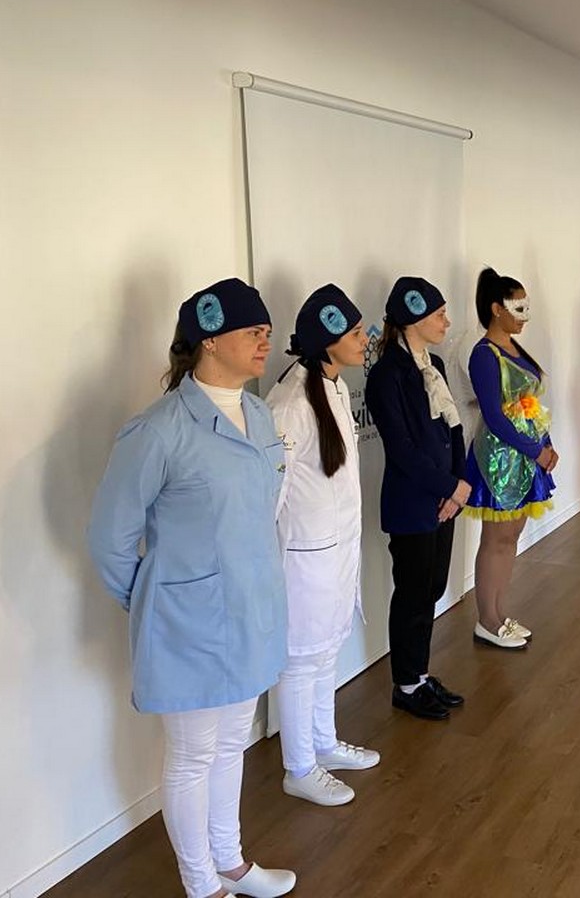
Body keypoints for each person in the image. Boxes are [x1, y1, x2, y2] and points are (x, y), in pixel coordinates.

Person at [88, 278, 295, 898]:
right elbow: (110, 539)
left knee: (232, 743)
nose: (265, 342)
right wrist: (157, 603)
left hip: (251, 612)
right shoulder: (158, 430)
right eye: (252, 332)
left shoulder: (259, 414)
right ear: (209, 339)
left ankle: (230, 861)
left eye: (267, 331)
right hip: (191, 627)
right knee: (192, 754)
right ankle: (201, 883)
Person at [266, 284, 380, 807]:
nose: (364, 340)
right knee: (300, 662)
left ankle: (323, 743)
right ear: (328, 340)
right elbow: (271, 494)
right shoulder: (290, 403)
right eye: (355, 333)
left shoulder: (332, 385)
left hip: (335, 552)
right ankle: (299, 767)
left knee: (327, 650)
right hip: (304, 559)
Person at [364, 276, 468, 721]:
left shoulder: (434, 364)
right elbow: (402, 449)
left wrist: (458, 485)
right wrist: (449, 487)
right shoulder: (387, 374)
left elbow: (454, 428)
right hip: (413, 501)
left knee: (432, 588)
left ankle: (420, 675)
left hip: (445, 498)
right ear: (413, 319)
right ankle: (406, 684)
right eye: (439, 314)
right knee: (412, 593)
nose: (447, 322)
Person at [462, 268, 557, 648]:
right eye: (518, 308)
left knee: (511, 537)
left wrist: (545, 443)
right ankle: (487, 619)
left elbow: (530, 407)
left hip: (526, 456)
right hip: (499, 461)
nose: (524, 316)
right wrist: (537, 450)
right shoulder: (484, 355)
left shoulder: (517, 351)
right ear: (496, 309)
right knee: (496, 539)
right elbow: (495, 417)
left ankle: (499, 613)